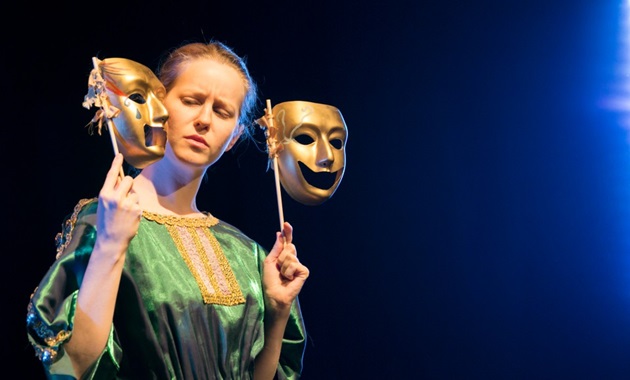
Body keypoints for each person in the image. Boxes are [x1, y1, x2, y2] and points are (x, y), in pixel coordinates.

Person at [26, 40, 310, 379]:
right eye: (191, 101)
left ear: (234, 136)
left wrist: (277, 313)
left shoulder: (247, 254)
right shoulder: (106, 219)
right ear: (159, 106)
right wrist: (110, 245)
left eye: (222, 112)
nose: (204, 120)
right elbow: (74, 365)